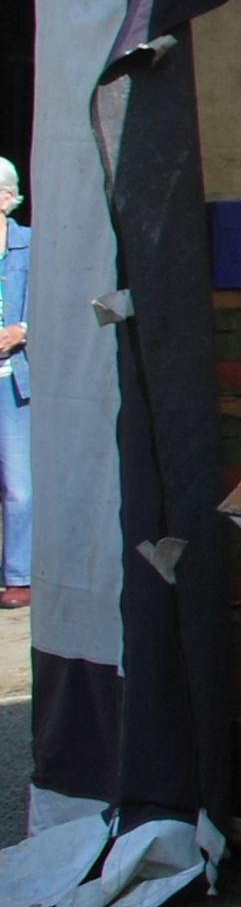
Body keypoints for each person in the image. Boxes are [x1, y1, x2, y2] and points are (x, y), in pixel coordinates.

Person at [0, 159, 27, 610]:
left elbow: (58, 304)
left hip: (14, 380)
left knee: (20, 484)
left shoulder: (32, 246)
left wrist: (24, 330)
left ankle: (20, 576)